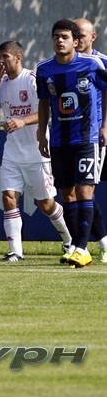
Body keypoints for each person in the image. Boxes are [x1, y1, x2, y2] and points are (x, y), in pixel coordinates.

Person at [0, 40, 71, 261]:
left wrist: (22, 121)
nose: (1, 61)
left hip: (37, 152)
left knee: (46, 204)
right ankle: (16, 252)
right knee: (8, 197)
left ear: (18, 57)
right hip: (12, 153)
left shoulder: (31, 79)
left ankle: (70, 240)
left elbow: (48, 109)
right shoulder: (1, 84)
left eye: (5, 57)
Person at [37, 19, 107, 268]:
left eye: (65, 37)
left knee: (85, 191)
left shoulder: (92, 64)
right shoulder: (44, 69)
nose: (60, 40)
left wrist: (105, 125)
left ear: (76, 42)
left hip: (87, 138)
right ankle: (76, 247)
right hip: (59, 141)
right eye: (56, 36)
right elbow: (43, 101)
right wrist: (41, 132)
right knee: (66, 194)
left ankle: (82, 248)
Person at [73, 18, 107, 263]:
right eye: (74, 35)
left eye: (81, 35)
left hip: (95, 135)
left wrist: (105, 125)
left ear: (93, 37)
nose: (77, 39)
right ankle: (88, 243)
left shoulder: (101, 62)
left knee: (86, 189)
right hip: (71, 136)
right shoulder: (65, 63)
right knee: (78, 191)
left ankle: (93, 244)